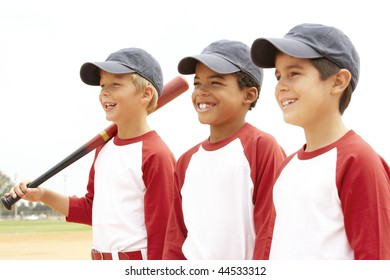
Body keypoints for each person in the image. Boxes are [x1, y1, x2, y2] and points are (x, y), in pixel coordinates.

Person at [5, 47, 176, 260]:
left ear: (146, 94)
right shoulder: (104, 149)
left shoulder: (156, 154)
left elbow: (164, 234)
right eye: (103, 85)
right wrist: (43, 195)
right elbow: (91, 210)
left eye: (115, 85)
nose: (105, 92)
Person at [250, 23, 390, 259]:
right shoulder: (286, 168)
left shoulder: (358, 161)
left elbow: (377, 257)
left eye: (293, 74)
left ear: (338, 81)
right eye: (278, 76)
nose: (280, 86)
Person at [162, 39, 286, 260]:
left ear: (249, 95)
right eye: (198, 83)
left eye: (215, 83)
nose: (201, 91)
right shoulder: (186, 161)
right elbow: (176, 237)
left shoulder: (262, 148)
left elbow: (271, 233)